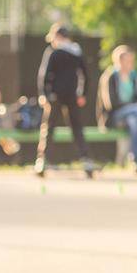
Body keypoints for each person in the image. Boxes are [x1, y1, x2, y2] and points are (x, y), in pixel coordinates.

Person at [34, 24, 95, 179]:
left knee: (53, 128)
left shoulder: (56, 52)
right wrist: (82, 93)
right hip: (65, 96)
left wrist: (45, 94)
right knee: (68, 128)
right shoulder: (73, 52)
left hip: (60, 96)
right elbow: (85, 75)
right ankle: (84, 158)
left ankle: (43, 159)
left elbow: (45, 75)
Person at [98, 45, 137, 175]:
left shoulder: (134, 77)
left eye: (131, 60)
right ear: (119, 61)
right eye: (127, 60)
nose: (130, 64)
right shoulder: (110, 77)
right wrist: (136, 104)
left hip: (131, 116)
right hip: (114, 116)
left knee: (134, 122)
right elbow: (110, 104)